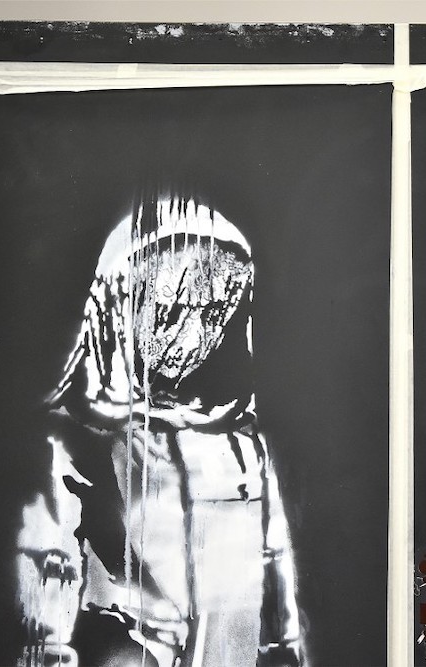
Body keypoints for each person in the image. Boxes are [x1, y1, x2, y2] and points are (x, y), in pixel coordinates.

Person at [16, 196, 302, 666]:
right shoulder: (68, 444)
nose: (192, 340)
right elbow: (48, 606)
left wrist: (285, 648)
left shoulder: (243, 446)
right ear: (117, 306)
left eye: (212, 316)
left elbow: (277, 593)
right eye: (171, 312)